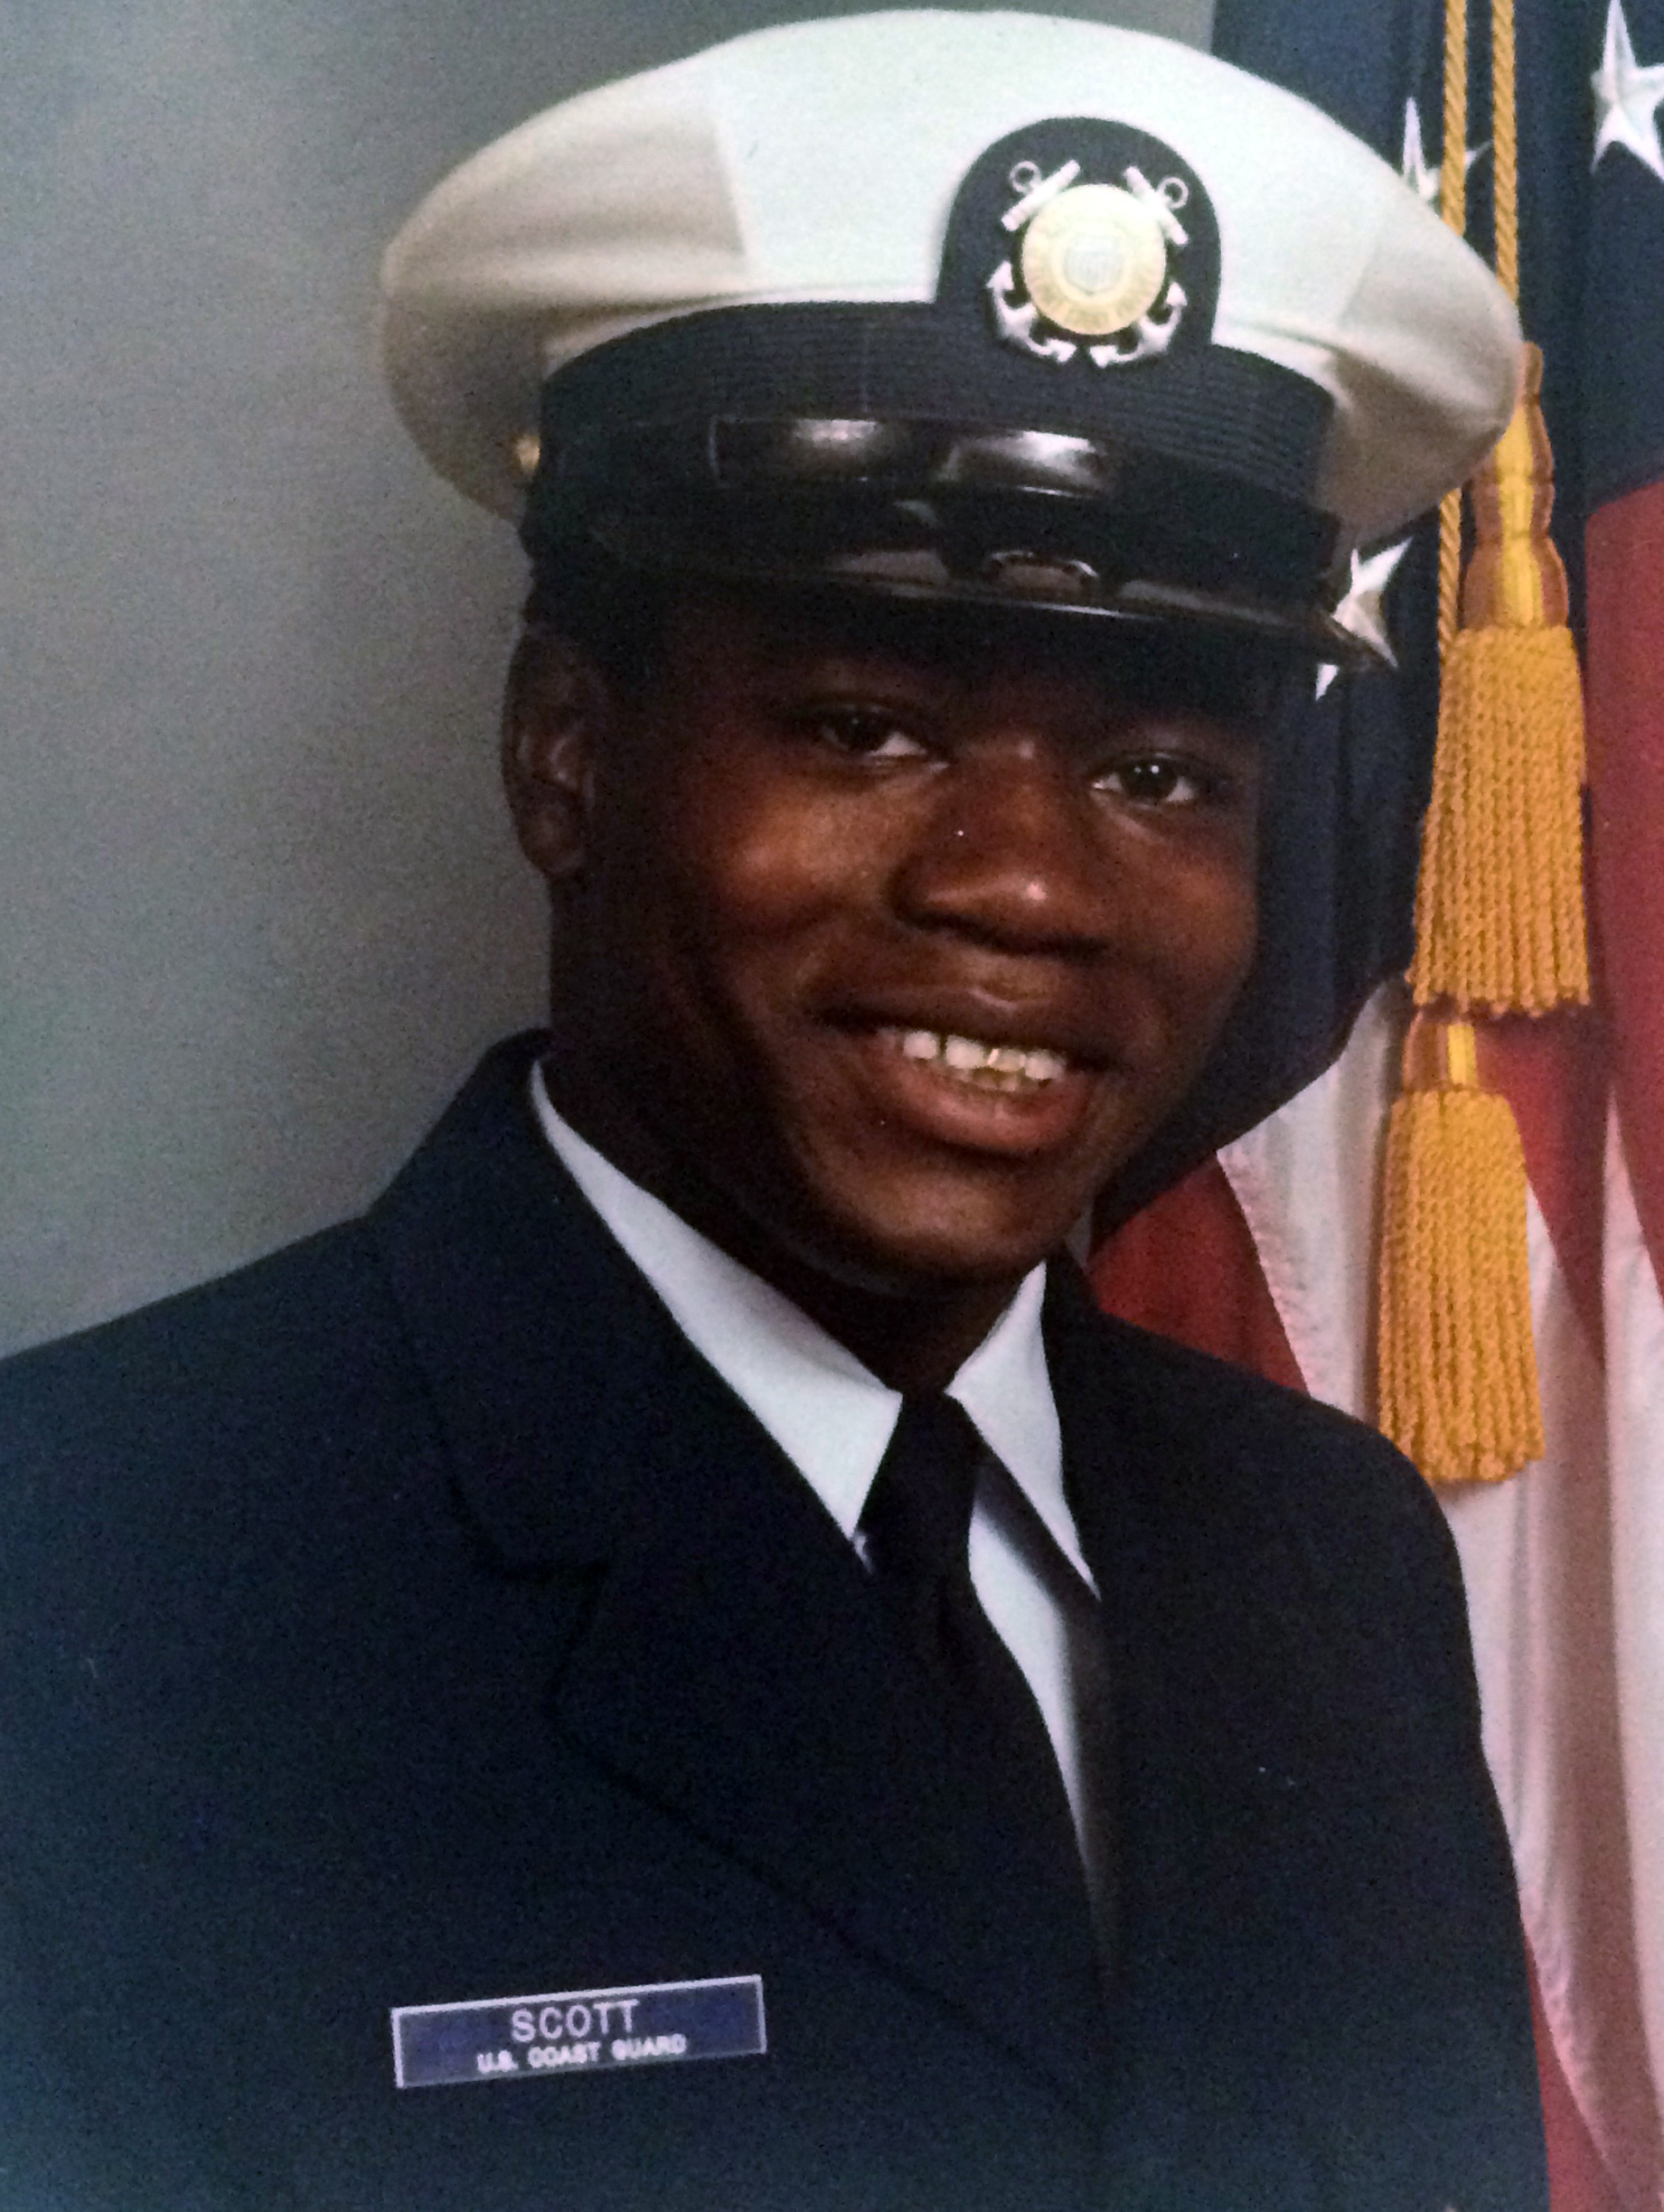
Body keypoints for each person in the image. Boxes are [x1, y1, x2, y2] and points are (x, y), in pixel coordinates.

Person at [0, 14, 1546, 2209]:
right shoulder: (89, 1581)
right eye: (863, 725)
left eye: (1157, 774)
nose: (1022, 883)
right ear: (565, 757)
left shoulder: (1328, 1563)